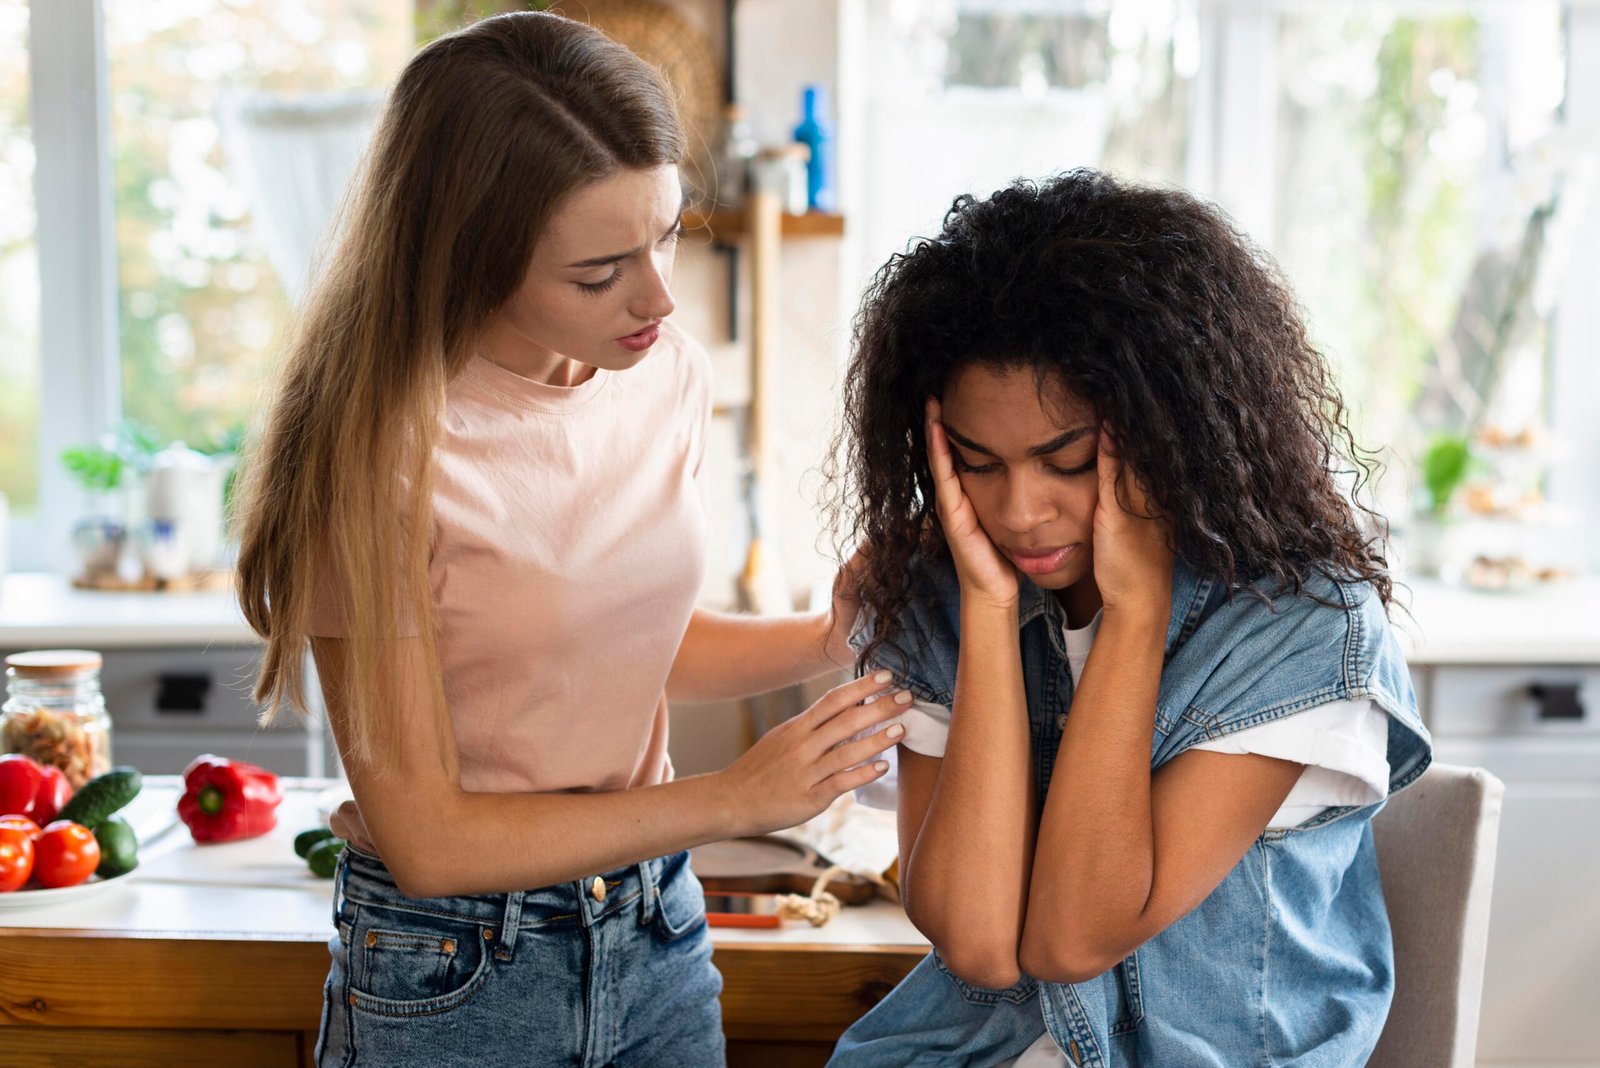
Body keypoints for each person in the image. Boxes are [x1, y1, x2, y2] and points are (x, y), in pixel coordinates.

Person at [232, 13, 906, 1066]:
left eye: (669, 233)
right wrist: (729, 800)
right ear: (469, 257)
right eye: (598, 273)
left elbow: (628, 645)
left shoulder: (662, 374)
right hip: (456, 973)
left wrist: (826, 634)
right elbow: (431, 843)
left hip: (657, 937)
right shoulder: (376, 456)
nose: (658, 296)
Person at [823, 169, 1432, 1067]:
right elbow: (980, 946)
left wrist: (1138, 615)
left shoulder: (1297, 628)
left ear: (1170, 428)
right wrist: (990, 615)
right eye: (978, 464)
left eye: (1064, 460)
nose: (1019, 510)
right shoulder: (945, 596)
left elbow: (1071, 939)